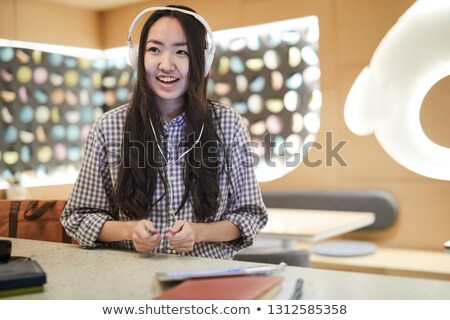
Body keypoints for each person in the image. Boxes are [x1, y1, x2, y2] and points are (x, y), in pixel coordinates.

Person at [61, 5, 268, 260]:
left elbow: (249, 214)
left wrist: (198, 233)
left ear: (203, 62)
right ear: (137, 57)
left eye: (182, 52)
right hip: (130, 282)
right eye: (154, 49)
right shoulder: (108, 127)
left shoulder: (228, 124)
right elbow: (79, 217)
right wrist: (129, 230)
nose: (166, 64)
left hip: (206, 279)